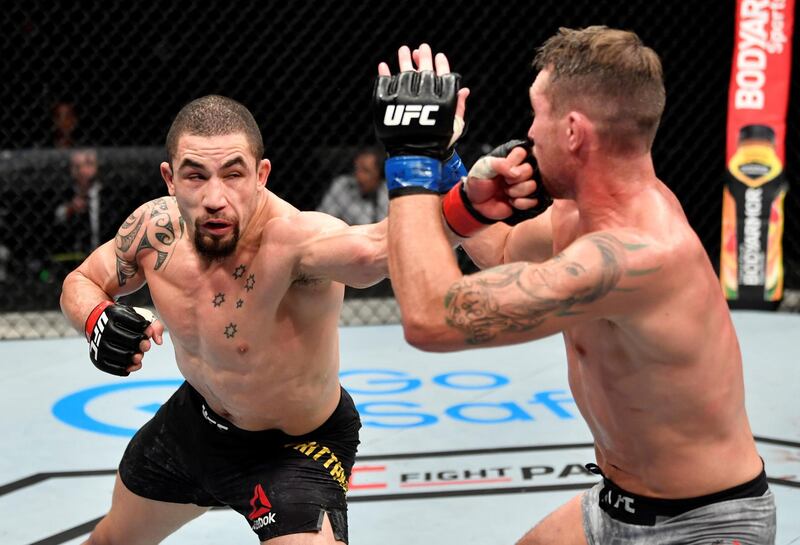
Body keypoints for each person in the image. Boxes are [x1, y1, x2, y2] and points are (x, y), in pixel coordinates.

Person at [373, 31, 775, 545]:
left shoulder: (640, 255)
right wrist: (452, 166)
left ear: (572, 131)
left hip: (706, 525)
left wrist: (411, 160)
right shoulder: (576, 218)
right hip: (613, 506)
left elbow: (433, 319)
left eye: (537, 114)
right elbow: (500, 252)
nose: (528, 132)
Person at [60, 94, 388, 544]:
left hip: (293, 448)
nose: (215, 198)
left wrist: (444, 180)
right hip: (196, 424)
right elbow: (81, 280)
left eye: (233, 174)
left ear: (261, 175)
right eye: (196, 175)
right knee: (110, 541)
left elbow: (379, 251)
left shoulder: (298, 242)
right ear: (170, 179)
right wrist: (95, 316)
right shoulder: (154, 230)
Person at [317, 147, 388, 225]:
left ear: (380, 174)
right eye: (357, 169)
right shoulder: (342, 184)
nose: (359, 176)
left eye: (366, 171)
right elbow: (323, 218)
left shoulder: (388, 191)